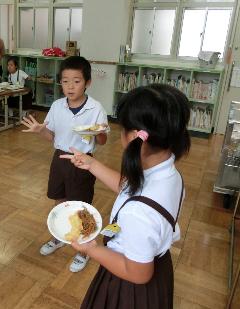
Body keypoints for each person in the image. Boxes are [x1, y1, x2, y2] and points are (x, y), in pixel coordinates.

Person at [61, 84, 191, 308]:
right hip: (155, 265)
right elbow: (131, 188)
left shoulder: (138, 213)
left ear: (133, 136)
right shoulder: (169, 173)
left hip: (129, 285)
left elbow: (138, 273)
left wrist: (91, 249)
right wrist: (92, 164)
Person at [21, 56, 108, 273]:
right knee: (59, 201)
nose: (70, 86)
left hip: (83, 162)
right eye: (65, 80)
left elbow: (103, 140)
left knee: (81, 207)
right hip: (59, 159)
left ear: (87, 82)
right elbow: (52, 137)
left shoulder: (96, 108)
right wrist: (41, 130)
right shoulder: (57, 105)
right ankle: (59, 236)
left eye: (76, 81)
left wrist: (98, 132)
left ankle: (83, 249)